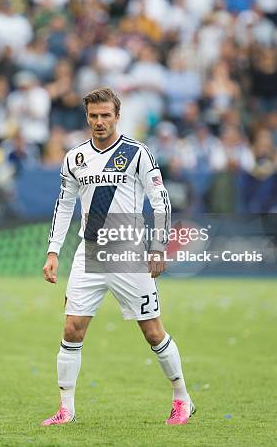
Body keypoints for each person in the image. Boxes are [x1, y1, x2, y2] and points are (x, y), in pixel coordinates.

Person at [41, 87, 195, 426]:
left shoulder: (137, 153)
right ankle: (66, 409)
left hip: (128, 252)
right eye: (93, 116)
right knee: (72, 329)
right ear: (87, 117)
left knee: (153, 332)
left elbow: (161, 201)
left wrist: (158, 247)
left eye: (105, 115)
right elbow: (64, 205)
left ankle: (182, 398)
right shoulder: (74, 158)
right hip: (88, 253)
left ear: (117, 116)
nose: (99, 122)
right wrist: (53, 251)